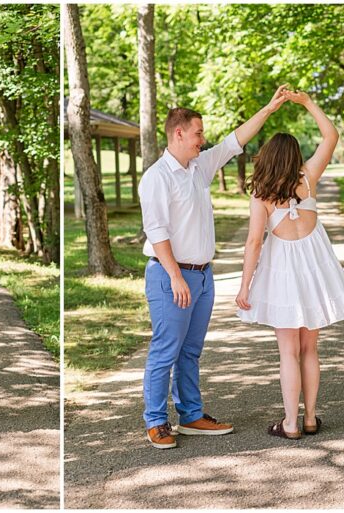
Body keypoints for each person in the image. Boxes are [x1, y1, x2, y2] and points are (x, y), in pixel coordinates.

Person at [138, 85, 290, 449]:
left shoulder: (197, 168)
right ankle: (157, 421)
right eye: (197, 133)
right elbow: (156, 231)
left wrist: (269, 108)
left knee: (190, 351)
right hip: (171, 276)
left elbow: (233, 142)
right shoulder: (157, 177)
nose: (203, 141)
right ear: (179, 133)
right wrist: (176, 276)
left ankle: (191, 415)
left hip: (203, 276)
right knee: (166, 350)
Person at [235, 89, 344, 440]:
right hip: (315, 270)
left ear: (268, 158)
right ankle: (310, 417)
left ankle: (290, 423)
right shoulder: (308, 178)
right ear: (294, 157)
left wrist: (245, 286)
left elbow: (254, 243)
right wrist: (307, 103)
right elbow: (331, 136)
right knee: (309, 348)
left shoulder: (261, 194)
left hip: (283, 275)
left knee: (287, 351)